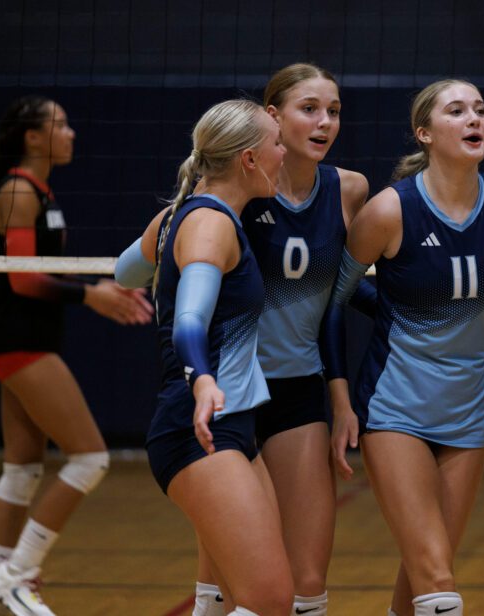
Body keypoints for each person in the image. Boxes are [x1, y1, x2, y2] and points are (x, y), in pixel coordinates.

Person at [326, 79, 484, 616]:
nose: (475, 119)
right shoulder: (387, 212)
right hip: (396, 404)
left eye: (481, 110)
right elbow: (333, 301)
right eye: (457, 111)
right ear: (425, 132)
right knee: (439, 582)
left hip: (470, 407)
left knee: (426, 575)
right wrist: (340, 401)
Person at [186, 63, 370, 616]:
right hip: (231, 395)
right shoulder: (239, 190)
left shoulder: (349, 190)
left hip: (296, 390)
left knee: (308, 579)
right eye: (309, 108)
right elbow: (167, 253)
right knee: (221, 578)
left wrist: (340, 396)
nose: (324, 122)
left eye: (333, 111)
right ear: (272, 116)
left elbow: (336, 300)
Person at [0, 96, 152, 616]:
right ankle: (17, 574)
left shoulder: (40, 192)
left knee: (21, 472)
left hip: (26, 339)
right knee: (91, 457)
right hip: (17, 339)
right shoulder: (18, 192)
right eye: (60, 125)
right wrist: (90, 294)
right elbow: (22, 280)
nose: (71, 133)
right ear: (32, 137)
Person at [120, 98, 293, 616]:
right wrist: (201, 380)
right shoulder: (210, 226)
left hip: (232, 426)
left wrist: (166, 247)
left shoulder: (178, 217)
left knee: (221, 601)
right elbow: (189, 322)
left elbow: (124, 271)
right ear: (248, 159)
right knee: (269, 602)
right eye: (277, 143)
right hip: (199, 428)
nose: (284, 154)